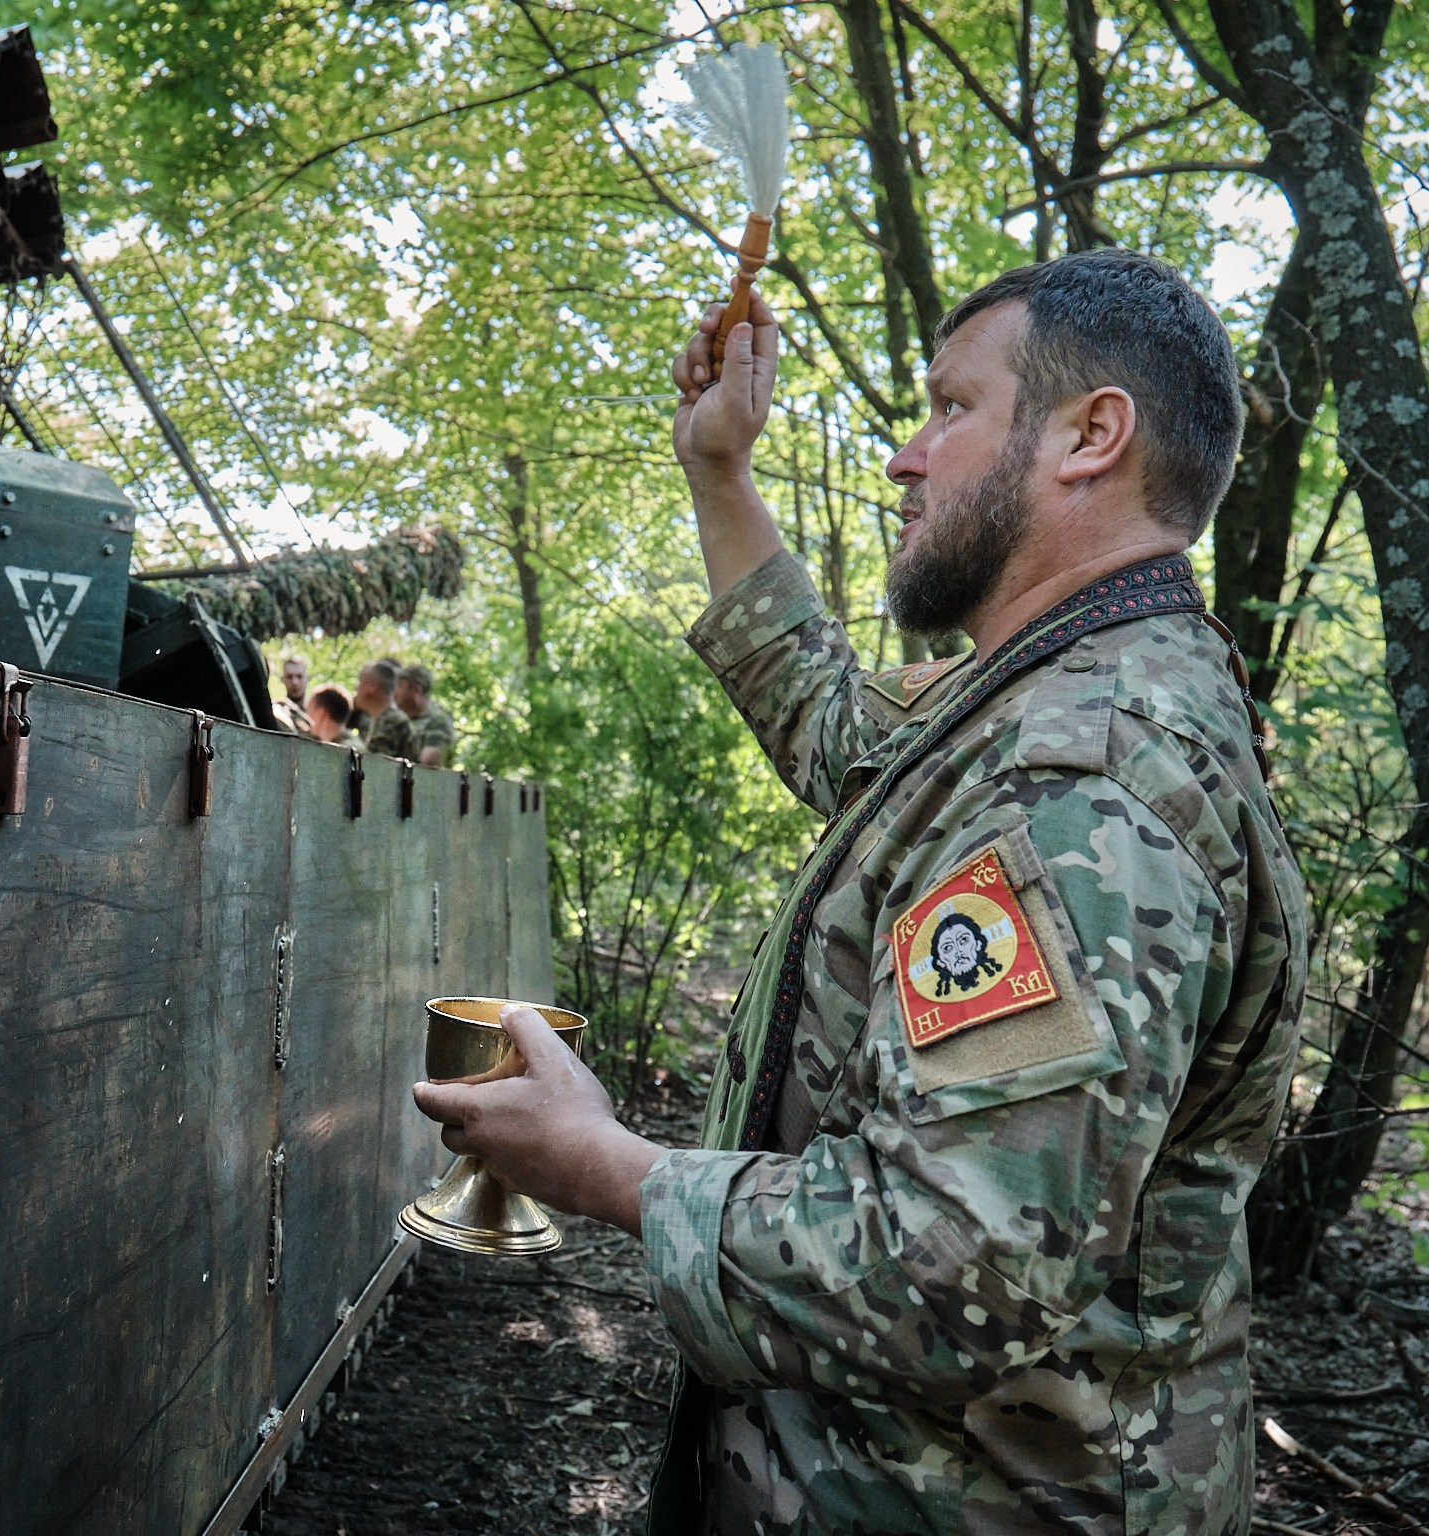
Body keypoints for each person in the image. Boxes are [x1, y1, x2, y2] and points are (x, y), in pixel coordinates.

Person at [413, 251, 1307, 1535]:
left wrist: (611, 1171)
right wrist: (716, 468)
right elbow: (835, 725)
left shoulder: (1083, 772)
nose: (904, 457)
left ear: (1088, 436)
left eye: (950, 408)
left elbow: (949, 1264)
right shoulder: (1042, 694)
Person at [394, 662, 455, 767]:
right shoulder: (398, 718)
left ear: (417, 690)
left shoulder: (438, 720)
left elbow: (430, 763)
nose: (395, 691)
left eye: (400, 686)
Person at [352, 660, 412, 758]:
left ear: (372, 687)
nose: (356, 688)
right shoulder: (380, 717)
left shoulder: (392, 722)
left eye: (360, 683)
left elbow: (373, 767)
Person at [307, 685, 362, 749]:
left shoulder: (345, 751)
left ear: (321, 713)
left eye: (309, 711)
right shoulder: (349, 748)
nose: (307, 717)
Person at [275, 653, 313, 736]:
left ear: (308, 678)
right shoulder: (278, 711)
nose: (295, 682)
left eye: (299, 676)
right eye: (289, 677)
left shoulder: (317, 713)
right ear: (282, 679)